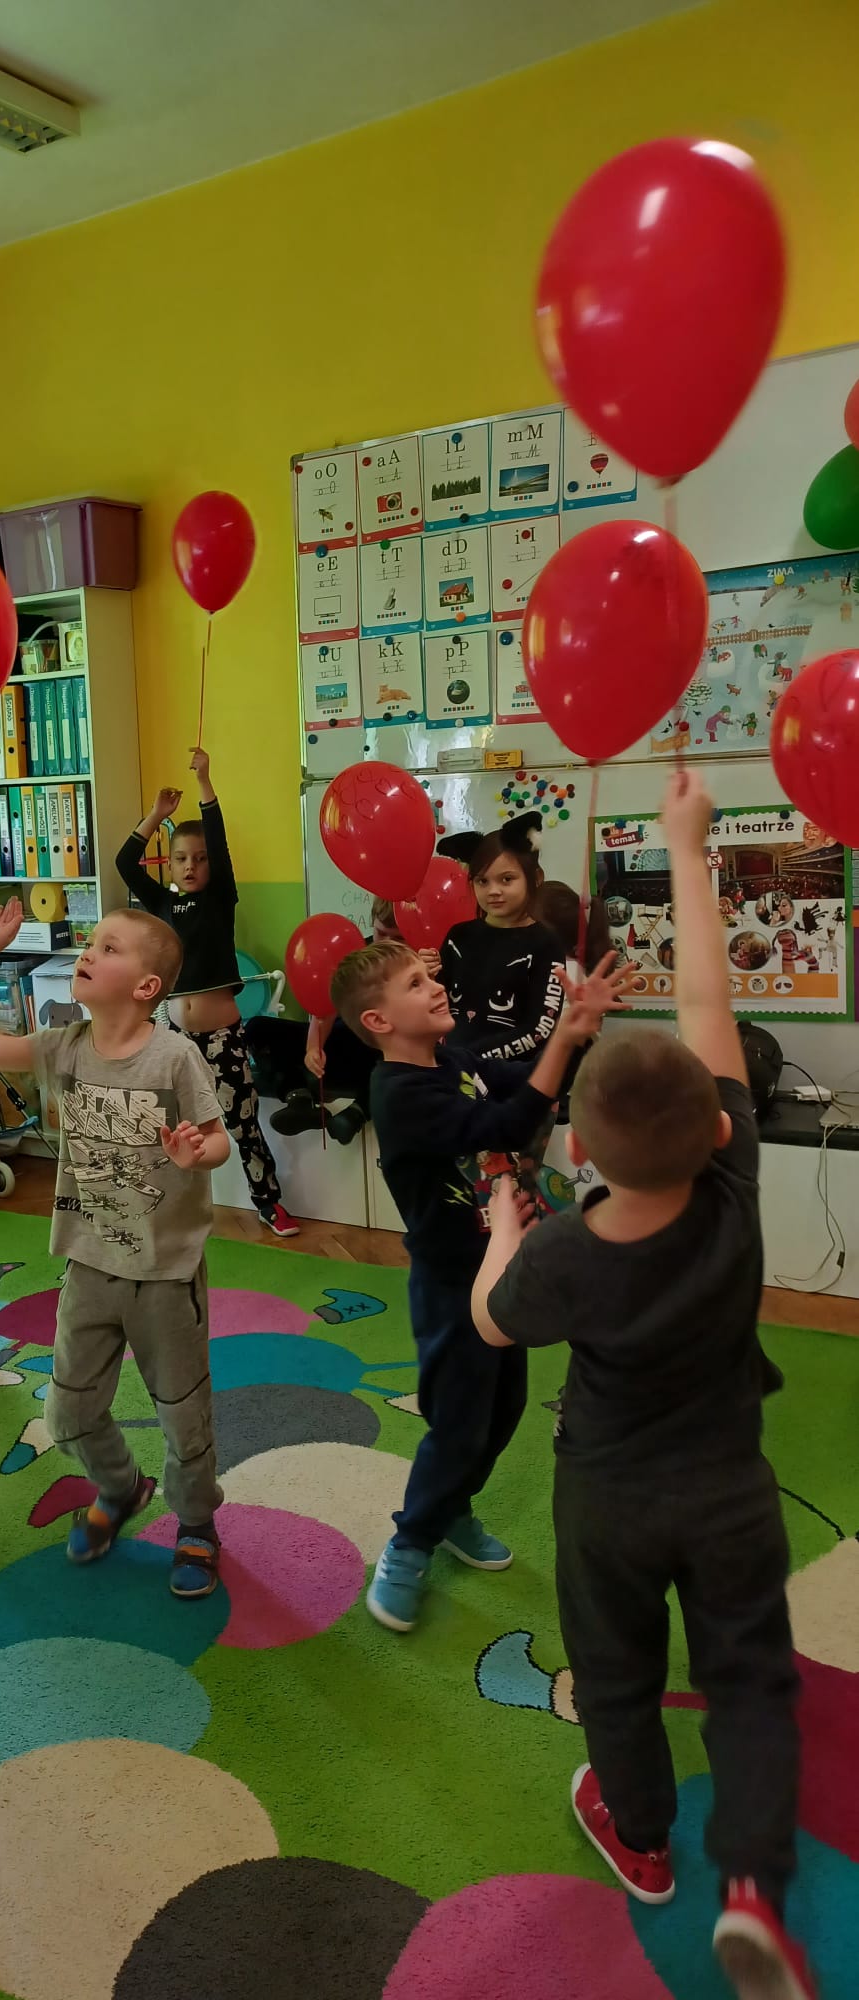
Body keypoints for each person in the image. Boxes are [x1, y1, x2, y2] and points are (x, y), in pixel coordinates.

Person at [473, 769, 815, 2000]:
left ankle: (645, 1839)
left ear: (579, 1150)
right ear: (722, 1126)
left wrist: (502, 1230)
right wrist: (687, 843)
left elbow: (492, 1322)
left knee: (615, 1673)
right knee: (750, 1677)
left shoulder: (564, 1251)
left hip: (608, 1501)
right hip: (729, 1492)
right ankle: (751, 1884)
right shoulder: (731, 1184)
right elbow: (712, 994)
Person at [331, 936, 624, 1633]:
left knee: (504, 1409)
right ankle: (410, 1542)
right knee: (457, 1422)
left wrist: (575, 1034)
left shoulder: (454, 1059)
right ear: (378, 1021)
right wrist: (562, 1043)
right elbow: (510, 1121)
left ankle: (453, 1510)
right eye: (414, 983)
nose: (435, 985)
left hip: (503, 1267)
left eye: (427, 975)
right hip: (451, 1283)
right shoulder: (398, 1094)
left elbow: (526, 1082)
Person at [0, 897, 232, 1598]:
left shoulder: (174, 1056)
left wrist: (196, 1153)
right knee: (68, 1413)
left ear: (146, 986)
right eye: (92, 941)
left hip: (165, 1272)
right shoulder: (64, 1046)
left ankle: (196, 1522)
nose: (88, 951)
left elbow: (218, 1140)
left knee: (183, 1413)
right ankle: (121, 1487)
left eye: (110, 947)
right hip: (88, 1262)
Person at [117, 746, 297, 1236]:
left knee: (243, 1124)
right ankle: (165, 1205)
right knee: (169, 1127)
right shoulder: (162, 903)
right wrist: (157, 814)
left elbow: (217, 840)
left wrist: (204, 783)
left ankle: (269, 1203)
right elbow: (125, 863)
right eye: (180, 859)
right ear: (170, 865)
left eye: (199, 859)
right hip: (174, 1039)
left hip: (221, 1038)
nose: (191, 866)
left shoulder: (220, 898)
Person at [283, 899, 440, 1144]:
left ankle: (357, 1113)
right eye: (381, 933)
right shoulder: (356, 953)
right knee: (260, 1029)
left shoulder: (422, 962)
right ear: (372, 924)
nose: (387, 943)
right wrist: (313, 1047)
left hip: (392, 1048)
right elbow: (324, 1008)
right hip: (350, 1036)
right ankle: (299, 1100)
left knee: (394, 1057)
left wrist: (424, 977)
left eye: (398, 938)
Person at [439, 816, 567, 1063]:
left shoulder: (546, 944)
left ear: (536, 878)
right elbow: (434, 1004)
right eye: (482, 881)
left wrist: (473, 1059)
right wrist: (424, 975)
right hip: (453, 1071)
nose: (493, 891)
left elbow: (540, 1029)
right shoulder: (458, 936)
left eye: (507, 879)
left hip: (511, 1077)